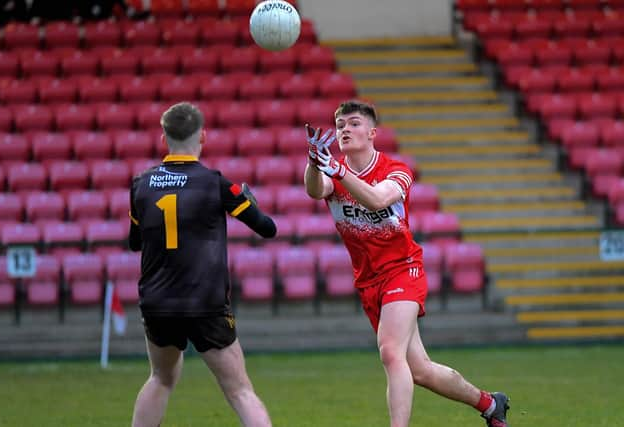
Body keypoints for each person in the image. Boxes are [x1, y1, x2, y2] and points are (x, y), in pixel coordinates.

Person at [303, 99, 510, 427]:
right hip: (369, 280)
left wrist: (337, 169)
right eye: (340, 125)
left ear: (372, 132)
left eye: (354, 123)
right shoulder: (333, 173)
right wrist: (314, 163)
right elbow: (316, 191)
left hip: (403, 268)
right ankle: (489, 404)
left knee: (389, 352)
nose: (345, 129)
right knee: (420, 370)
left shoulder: (397, 170)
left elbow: (377, 199)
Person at [129, 102, 275, 427]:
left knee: (160, 378)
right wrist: (248, 202)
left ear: (164, 138)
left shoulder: (141, 185)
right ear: (203, 136)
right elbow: (267, 228)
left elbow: (134, 242)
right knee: (239, 391)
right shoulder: (216, 183)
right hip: (205, 302)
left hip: (158, 302)